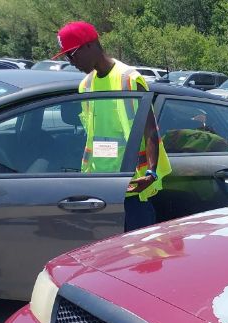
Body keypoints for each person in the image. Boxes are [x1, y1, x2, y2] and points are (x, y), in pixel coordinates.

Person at [53, 21, 171, 231]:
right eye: (66, 57)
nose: (71, 62)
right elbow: (93, 135)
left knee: (138, 257)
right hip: (100, 186)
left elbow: (150, 130)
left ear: (90, 45)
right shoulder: (86, 85)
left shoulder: (129, 79)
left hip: (132, 185)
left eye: (72, 54)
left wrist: (151, 173)